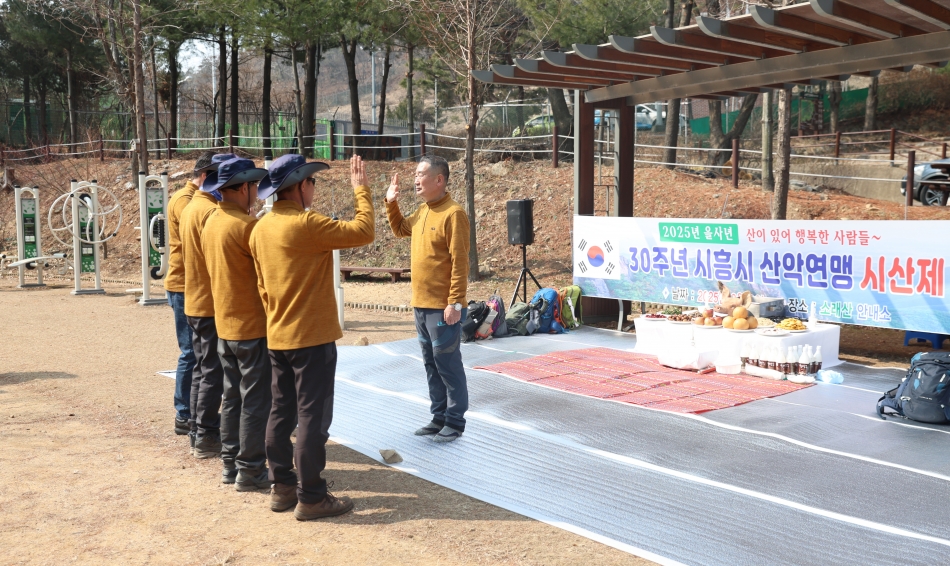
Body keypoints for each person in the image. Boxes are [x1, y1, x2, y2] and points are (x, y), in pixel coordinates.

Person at [250, 154, 374, 520]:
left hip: (278, 335)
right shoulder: (307, 224)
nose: (315, 189)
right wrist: (360, 191)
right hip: (312, 337)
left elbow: (261, 286)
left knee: (281, 411)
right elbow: (364, 231)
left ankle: (282, 485)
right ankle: (312, 496)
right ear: (302, 185)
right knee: (313, 418)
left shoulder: (259, 229)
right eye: (313, 183)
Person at [385, 155, 471, 442]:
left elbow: (460, 262)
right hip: (420, 305)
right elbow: (399, 229)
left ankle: (455, 421)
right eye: (416, 174)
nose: (416, 179)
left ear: (439, 180)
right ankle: (438, 417)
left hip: (441, 307)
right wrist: (391, 203)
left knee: (448, 364)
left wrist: (455, 302)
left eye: (422, 174)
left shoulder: (453, 213)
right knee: (430, 364)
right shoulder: (423, 211)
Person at [200, 157, 272, 489]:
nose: (257, 191)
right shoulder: (246, 227)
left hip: (224, 324)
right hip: (252, 326)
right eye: (254, 185)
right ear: (243, 188)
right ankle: (252, 469)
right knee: (255, 400)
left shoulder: (212, 221)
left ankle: (231, 464)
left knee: (232, 398)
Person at [180, 153, 236, 461]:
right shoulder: (208, 211)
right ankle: (205, 433)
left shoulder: (195, 206)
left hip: (196, 299)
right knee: (212, 370)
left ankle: (197, 429)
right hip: (209, 301)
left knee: (204, 368)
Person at [165, 151, 216, 437]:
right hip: (185, 285)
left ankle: (192, 413)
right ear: (206, 176)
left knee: (196, 353)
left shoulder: (186, 199)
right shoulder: (187, 203)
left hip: (187, 284)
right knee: (191, 353)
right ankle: (184, 414)